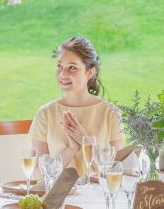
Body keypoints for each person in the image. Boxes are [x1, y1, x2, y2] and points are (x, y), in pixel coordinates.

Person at [29, 37, 124, 174]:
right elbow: (38, 172)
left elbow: (113, 173)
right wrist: (71, 149)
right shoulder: (45, 113)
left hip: (98, 195)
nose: (62, 74)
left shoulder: (111, 114)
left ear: (90, 72)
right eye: (60, 66)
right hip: (59, 195)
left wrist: (85, 140)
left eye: (72, 68)